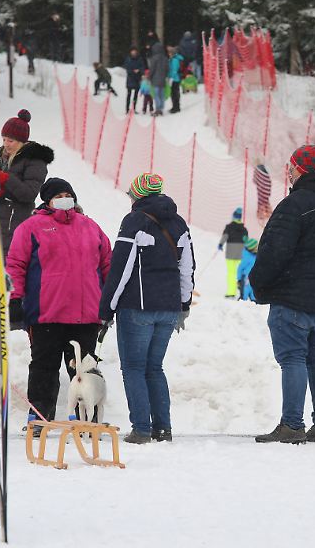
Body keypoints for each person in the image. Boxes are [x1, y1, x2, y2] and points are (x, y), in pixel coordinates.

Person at [250, 145, 315, 444]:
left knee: (293, 358)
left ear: (300, 170)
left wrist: (259, 283)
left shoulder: (293, 204)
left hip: (293, 296)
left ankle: (292, 424)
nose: (289, 172)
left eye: (291, 167)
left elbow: (274, 251)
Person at [99, 173, 196, 445]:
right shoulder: (178, 223)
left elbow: (121, 268)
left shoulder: (134, 222)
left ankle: (141, 428)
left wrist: (107, 308)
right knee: (155, 368)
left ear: (137, 195)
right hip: (168, 308)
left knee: (133, 368)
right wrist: (184, 304)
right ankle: (163, 428)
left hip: (137, 308)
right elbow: (186, 267)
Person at [6, 178, 112, 424]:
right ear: (48, 200)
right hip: (46, 313)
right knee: (44, 366)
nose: (65, 198)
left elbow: (108, 264)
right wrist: (14, 299)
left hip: (86, 315)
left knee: (84, 370)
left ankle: (89, 419)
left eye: (68, 194)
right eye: (59, 195)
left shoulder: (90, 226)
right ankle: (39, 417)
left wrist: (109, 302)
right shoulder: (31, 227)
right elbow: (16, 265)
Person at [0, 109, 54, 254]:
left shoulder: (35, 161)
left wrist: (5, 179)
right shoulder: (5, 158)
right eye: (4, 139)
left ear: (22, 141)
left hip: (17, 219)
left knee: (10, 260)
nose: (6, 144)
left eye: (10, 140)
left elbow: (29, 193)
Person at [218, 208, 248, 299]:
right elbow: (246, 241)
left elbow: (225, 237)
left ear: (233, 216)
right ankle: (241, 291)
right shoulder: (244, 229)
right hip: (240, 253)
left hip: (230, 253)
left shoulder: (229, 227)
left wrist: (220, 244)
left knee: (231, 273)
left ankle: (231, 292)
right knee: (239, 272)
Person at [148, 41, 169, 115]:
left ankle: (158, 108)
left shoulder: (154, 58)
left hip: (155, 79)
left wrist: (149, 77)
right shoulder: (165, 58)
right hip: (163, 79)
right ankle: (161, 107)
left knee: (156, 94)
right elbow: (167, 69)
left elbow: (152, 69)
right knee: (162, 94)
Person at [123, 47, 145, 114]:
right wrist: (132, 71)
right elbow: (126, 67)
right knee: (129, 95)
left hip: (137, 79)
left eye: (135, 52)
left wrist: (139, 70)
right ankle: (127, 109)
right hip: (130, 78)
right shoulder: (128, 59)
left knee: (135, 95)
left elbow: (142, 67)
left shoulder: (140, 59)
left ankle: (134, 108)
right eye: (132, 52)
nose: (133, 53)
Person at [237, 237, 259, 302]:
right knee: (245, 291)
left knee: (253, 291)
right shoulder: (246, 257)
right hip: (246, 277)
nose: (257, 248)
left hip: (254, 276)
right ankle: (242, 300)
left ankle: (254, 300)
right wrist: (239, 279)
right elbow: (240, 268)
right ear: (251, 248)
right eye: (256, 247)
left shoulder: (256, 255)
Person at [168, 46, 184, 114]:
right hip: (173, 78)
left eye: (170, 53)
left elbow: (174, 70)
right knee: (173, 93)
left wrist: (171, 78)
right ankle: (174, 106)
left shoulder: (174, 60)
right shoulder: (172, 59)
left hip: (175, 79)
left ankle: (176, 107)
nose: (169, 54)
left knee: (175, 93)